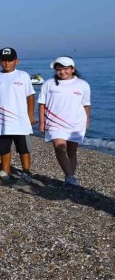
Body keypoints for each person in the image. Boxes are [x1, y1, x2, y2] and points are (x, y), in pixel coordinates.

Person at [38, 56, 91, 187]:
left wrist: (87, 121)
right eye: (58, 69)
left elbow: (86, 105)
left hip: (76, 123)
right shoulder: (48, 84)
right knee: (60, 148)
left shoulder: (83, 85)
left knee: (72, 151)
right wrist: (42, 122)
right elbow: (41, 104)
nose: (62, 72)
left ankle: (70, 179)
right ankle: (70, 177)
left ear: (72, 69)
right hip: (54, 122)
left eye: (66, 69)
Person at [0, 48, 35, 184]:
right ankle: (5, 171)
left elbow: (30, 96)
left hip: (20, 121)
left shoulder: (22, 75)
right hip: (1, 121)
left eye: (10, 60)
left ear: (16, 61)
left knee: (23, 149)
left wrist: (30, 115)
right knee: (3, 149)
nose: (7, 63)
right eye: (3, 60)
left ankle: (26, 173)